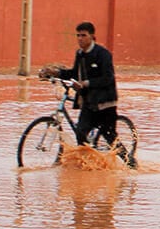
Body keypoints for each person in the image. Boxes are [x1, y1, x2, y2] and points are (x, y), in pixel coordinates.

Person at [38, 21, 119, 151]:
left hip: (105, 103)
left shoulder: (103, 54)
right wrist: (56, 72)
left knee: (111, 140)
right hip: (89, 101)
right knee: (80, 133)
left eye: (83, 35)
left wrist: (86, 83)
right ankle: (87, 164)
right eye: (78, 35)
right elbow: (75, 73)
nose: (80, 38)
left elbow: (108, 78)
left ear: (92, 36)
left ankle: (131, 164)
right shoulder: (80, 54)